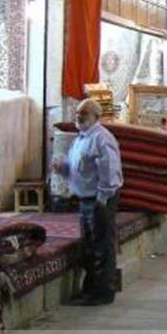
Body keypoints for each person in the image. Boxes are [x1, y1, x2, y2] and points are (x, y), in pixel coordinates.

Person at [52, 98, 123, 306]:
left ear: (96, 117)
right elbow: (79, 170)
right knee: (89, 245)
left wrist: (101, 200)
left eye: (84, 114)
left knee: (102, 245)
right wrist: (62, 168)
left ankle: (103, 291)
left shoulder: (102, 139)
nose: (79, 117)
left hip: (100, 199)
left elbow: (109, 172)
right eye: (77, 113)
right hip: (85, 199)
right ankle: (90, 289)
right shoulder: (80, 139)